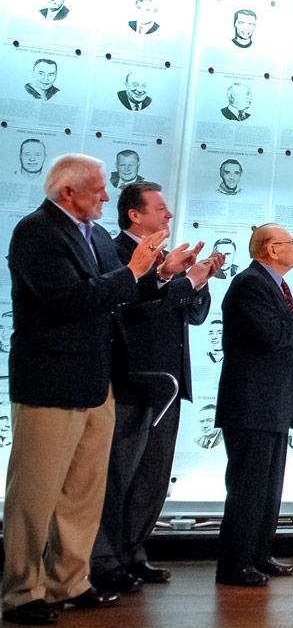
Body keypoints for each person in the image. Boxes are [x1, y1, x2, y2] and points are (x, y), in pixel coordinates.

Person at [1, 154, 191, 626]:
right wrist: (133, 272)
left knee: (84, 492)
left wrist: (161, 275)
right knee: (35, 493)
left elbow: (121, 295)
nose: (108, 196)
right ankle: (22, 590)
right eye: (99, 189)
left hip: (98, 381)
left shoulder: (98, 237)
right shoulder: (36, 231)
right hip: (51, 381)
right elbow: (70, 298)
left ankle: (70, 579)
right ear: (68, 192)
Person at [91, 182, 222, 595]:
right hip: (131, 379)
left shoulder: (167, 259)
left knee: (153, 475)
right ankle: (103, 558)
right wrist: (179, 281)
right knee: (117, 474)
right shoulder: (113, 253)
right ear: (135, 215)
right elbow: (131, 313)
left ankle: (133, 552)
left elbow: (196, 315)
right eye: (160, 208)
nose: (168, 215)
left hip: (169, 383)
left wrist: (199, 281)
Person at [214, 223, 293, 587]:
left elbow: (288, 335)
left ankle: (258, 554)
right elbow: (272, 336)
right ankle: (235, 564)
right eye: (291, 244)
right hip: (251, 403)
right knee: (248, 487)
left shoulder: (273, 286)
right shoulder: (251, 284)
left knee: (268, 487)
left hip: (271, 403)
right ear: (271, 250)